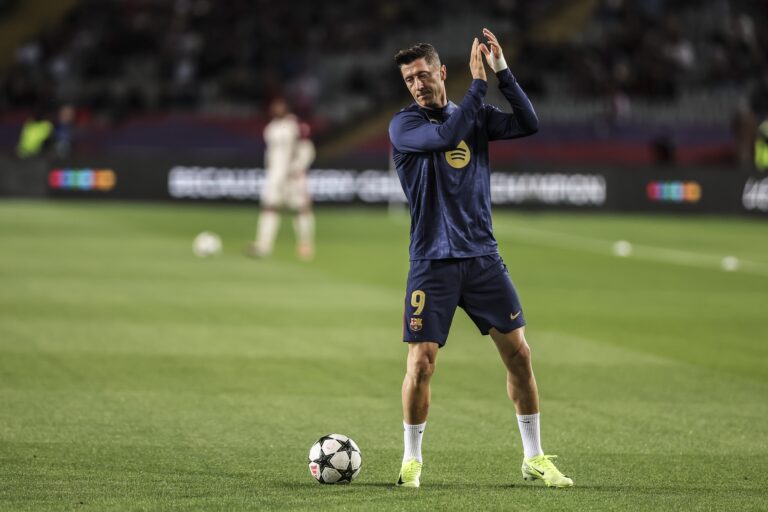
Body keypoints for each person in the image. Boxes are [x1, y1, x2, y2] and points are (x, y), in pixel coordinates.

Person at [389, 29, 573, 489]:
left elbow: (528, 122)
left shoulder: (474, 113)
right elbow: (446, 133)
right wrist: (476, 85)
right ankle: (412, 459)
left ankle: (534, 457)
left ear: (440, 72)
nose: (417, 84)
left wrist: (502, 72)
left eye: (424, 74)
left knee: (520, 356)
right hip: (431, 261)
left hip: (482, 258)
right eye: (409, 79)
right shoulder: (404, 126)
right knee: (421, 363)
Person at [247, 98, 316, 260]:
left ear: (286, 108)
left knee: (301, 209)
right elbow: (270, 153)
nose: (276, 109)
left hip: (293, 176)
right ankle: (263, 245)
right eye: (274, 107)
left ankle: (305, 245)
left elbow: (307, 149)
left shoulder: (296, 126)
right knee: (269, 207)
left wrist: (298, 167)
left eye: (279, 106)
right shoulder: (270, 128)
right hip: (275, 175)